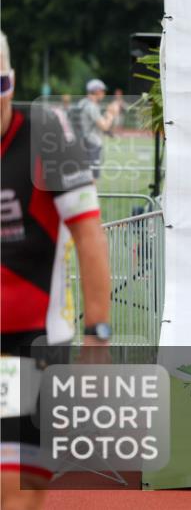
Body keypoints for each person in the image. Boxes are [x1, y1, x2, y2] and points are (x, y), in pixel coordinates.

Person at [1, 32, 114, 510]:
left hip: (30, 343)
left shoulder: (47, 134)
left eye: (0, 84)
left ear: (11, 82)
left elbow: (89, 236)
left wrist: (98, 333)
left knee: (14, 489)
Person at [73, 79, 120, 179]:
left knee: (84, 175)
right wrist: (111, 114)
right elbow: (104, 126)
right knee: (93, 176)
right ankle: (92, 195)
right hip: (92, 144)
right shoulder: (91, 106)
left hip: (81, 142)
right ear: (97, 91)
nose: (104, 94)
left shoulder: (82, 103)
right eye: (103, 91)